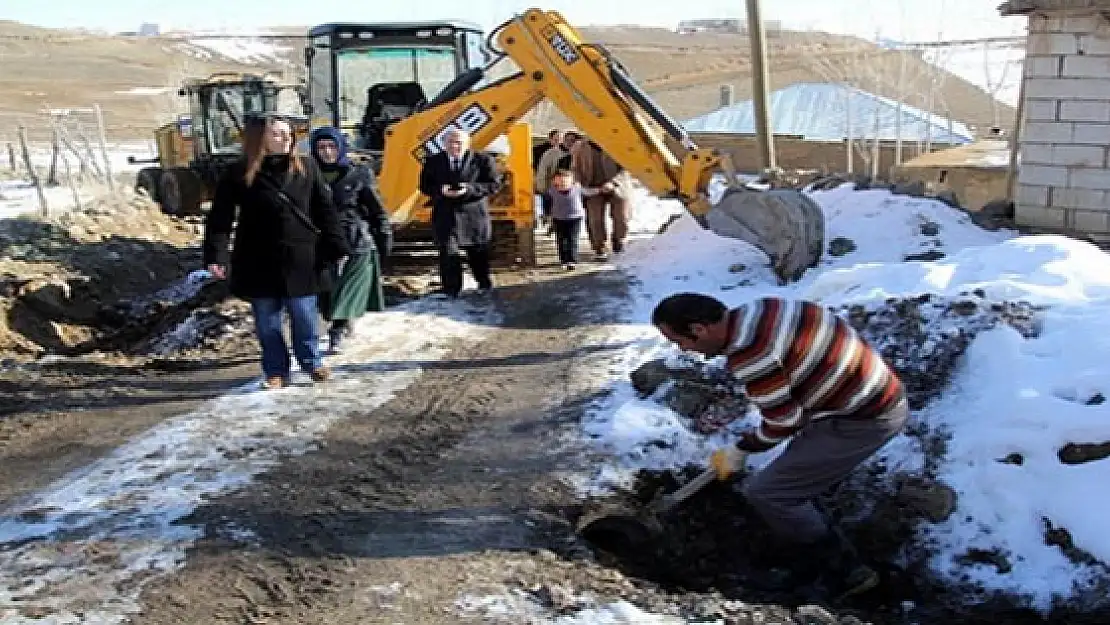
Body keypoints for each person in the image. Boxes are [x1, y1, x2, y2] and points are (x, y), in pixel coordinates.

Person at [651, 293, 909, 599]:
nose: (684, 349)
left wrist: (742, 448)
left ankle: (844, 573)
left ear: (699, 329)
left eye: (680, 340)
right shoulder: (765, 307)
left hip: (864, 418)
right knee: (789, 479)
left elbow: (785, 423)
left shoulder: (751, 354)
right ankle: (812, 535)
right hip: (864, 394)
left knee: (768, 493)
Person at [203, 114, 348, 389]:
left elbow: (324, 210)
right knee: (267, 323)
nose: (286, 138)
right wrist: (216, 255)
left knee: (304, 316)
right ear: (261, 139)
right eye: (278, 134)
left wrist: (337, 244)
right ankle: (276, 370)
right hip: (257, 258)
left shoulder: (306, 167)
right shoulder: (238, 172)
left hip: (302, 257)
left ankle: (312, 362)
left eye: (288, 134)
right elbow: (220, 218)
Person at [310, 126, 393, 354]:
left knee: (347, 289)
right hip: (321, 240)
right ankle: (340, 322)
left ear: (341, 147)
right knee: (326, 293)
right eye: (321, 147)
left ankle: (337, 331)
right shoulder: (308, 174)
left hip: (355, 239)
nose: (327, 152)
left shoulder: (358, 173)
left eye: (332, 146)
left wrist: (384, 238)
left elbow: (376, 210)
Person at [418, 128, 503, 298]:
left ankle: (483, 283)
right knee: (448, 253)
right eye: (451, 142)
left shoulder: (483, 160)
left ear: (467, 144)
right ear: (444, 144)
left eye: (459, 143)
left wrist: (469, 189)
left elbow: (493, 185)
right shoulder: (433, 162)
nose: (455, 146)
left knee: (478, 253)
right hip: (445, 214)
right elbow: (424, 186)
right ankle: (451, 289)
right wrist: (440, 190)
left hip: (473, 215)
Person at [571, 137, 632, 260]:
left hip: (617, 186)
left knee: (621, 217)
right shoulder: (580, 147)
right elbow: (575, 168)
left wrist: (614, 182)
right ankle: (599, 247)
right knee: (595, 219)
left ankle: (618, 241)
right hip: (592, 187)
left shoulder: (617, 142)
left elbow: (627, 167)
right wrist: (578, 182)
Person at [545, 168, 597, 270]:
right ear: (554, 181)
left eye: (566, 179)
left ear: (572, 180)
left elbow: (588, 192)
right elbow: (547, 203)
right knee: (561, 240)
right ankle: (563, 260)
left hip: (575, 218)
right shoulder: (551, 191)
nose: (563, 182)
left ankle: (572, 260)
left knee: (572, 239)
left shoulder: (577, 188)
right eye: (560, 179)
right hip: (558, 218)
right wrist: (546, 215)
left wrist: (599, 190)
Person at [534, 129, 568, 226]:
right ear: (550, 140)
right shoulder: (544, 151)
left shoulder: (567, 151)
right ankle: (548, 219)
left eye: (561, 139)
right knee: (548, 203)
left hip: (562, 184)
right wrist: (541, 185)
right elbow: (542, 170)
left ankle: (554, 222)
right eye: (556, 139)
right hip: (548, 184)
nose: (559, 142)